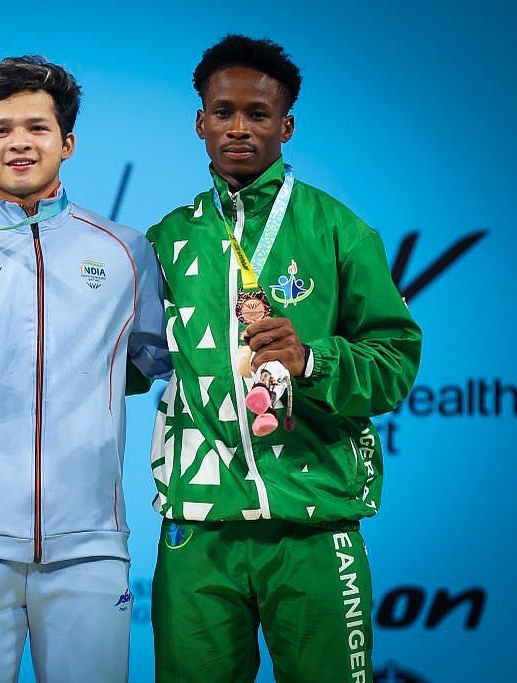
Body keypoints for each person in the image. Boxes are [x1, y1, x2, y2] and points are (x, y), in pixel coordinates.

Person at [146, 35, 422, 682]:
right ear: (200, 122)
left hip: (312, 519)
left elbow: (395, 362)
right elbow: (129, 364)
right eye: (223, 112)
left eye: (258, 113)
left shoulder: (338, 230)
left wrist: (312, 360)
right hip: (198, 524)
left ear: (286, 126)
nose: (239, 128)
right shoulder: (167, 239)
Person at [0, 55, 170, 683]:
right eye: (1, 129)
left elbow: (160, 363)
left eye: (38, 127)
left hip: (90, 546)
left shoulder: (124, 250)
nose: (20, 142)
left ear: (67, 142)